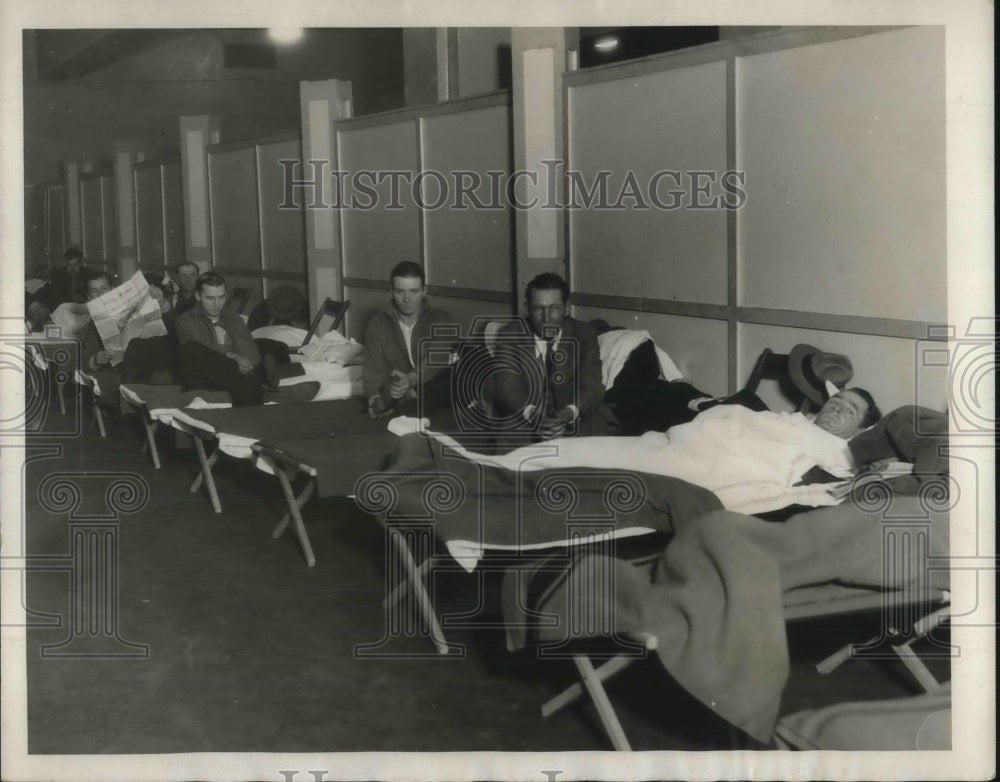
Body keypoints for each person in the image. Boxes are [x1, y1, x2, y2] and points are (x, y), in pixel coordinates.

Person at [455, 386, 883, 515]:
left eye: (849, 410)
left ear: (861, 426)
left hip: (705, 463)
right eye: (835, 400)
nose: (836, 408)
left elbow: (852, 476)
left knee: (607, 466)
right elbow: (736, 419)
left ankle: (495, 482)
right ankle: (493, 465)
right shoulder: (792, 421)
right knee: (581, 446)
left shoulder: (837, 450)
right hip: (681, 441)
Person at [491, 272, 614, 441]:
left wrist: (569, 414)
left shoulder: (583, 334)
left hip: (574, 415)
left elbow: (591, 386)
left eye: (554, 308)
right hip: (528, 414)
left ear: (566, 308)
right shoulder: (509, 335)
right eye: (538, 308)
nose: (546, 318)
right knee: (508, 433)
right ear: (527, 307)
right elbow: (507, 388)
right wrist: (533, 415)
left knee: (595, 428)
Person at [174, 272, 316, 406]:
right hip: (207, 371)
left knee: (269, 346)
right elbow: (207, 347)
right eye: (210, 298)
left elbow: (245, 342)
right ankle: (262, 383)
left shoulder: (231, 317)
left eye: (221, 297)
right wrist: (234, 357)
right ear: (198, 296)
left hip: (236, 371)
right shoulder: (185, 319)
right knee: (191, 349)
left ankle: (257, 379)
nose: (217, 304)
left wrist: (250, 362)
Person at [362, 261, 455, 419]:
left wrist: (412, 379)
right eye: (400, 291)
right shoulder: (377, 324)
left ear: (424, 291)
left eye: (414, 291)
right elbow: (373, 373)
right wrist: (375, 400)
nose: (407, 299)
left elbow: (436, 359)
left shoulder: (442, 319)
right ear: (391, 291)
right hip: (403, 396)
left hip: (440, 391)